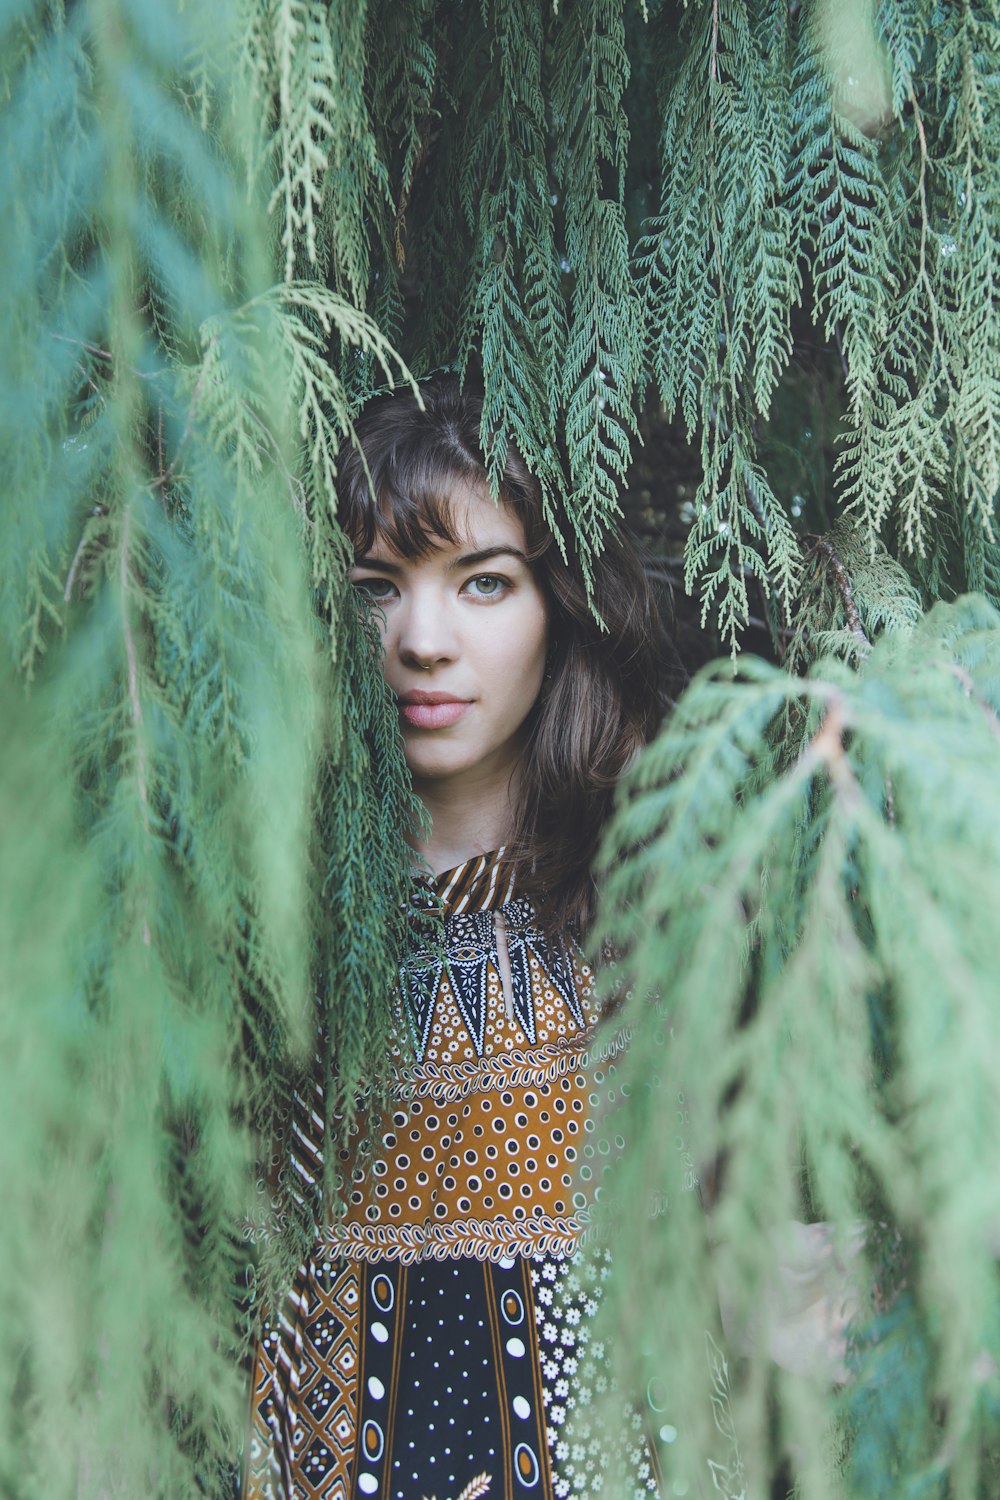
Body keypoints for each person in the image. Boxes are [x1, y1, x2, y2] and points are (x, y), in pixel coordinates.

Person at [241, 375, 667, 1500]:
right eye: (376, 587)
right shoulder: (258, 934)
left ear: (559, 603)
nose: (420, 641)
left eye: (482, 582)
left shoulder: (655, 910)